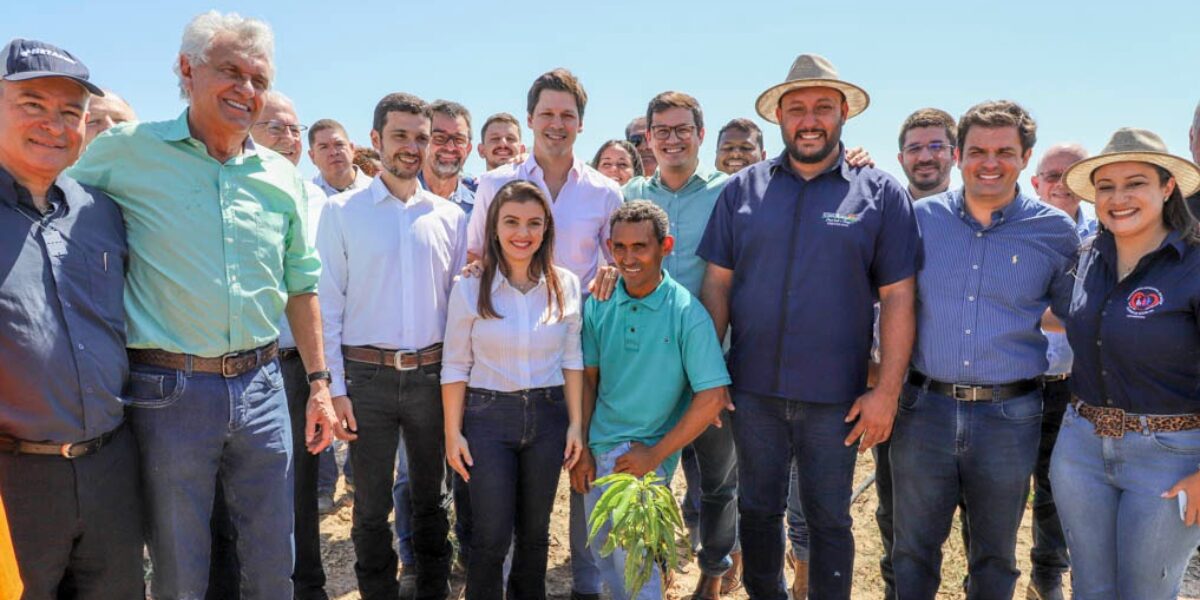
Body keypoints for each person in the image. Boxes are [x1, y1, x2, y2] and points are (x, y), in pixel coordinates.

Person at [69, 12, 346, 597]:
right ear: (186, 70)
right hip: (169, 393)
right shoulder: (126, 152)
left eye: (258, 79)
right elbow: (52, 205)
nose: (246, 89)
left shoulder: (280, 176)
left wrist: (319, 383)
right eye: (230, 71)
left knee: (272, 564)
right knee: (180, 570)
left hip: (264, 388)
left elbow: (302, 284)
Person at [698, 53, 920, 600]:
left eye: (823, 106)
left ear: (844, 113)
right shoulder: (742, 190)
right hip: (752, 391)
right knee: (757, 510)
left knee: (829, 519)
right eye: (796, 108)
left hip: (836, 397)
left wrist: (887, 393)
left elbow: (898, 297)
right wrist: (707, 378)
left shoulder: (880, 193)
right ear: (779, 117)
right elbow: (717, 286)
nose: (810, 119)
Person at [891, 101, 1080, 600]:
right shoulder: (919, 219)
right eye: (977, 151)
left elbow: (1077, 317)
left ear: (1026, 157)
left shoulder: (1054, 231)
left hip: (1010, 417)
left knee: (995, 557)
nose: (989, 163)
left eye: (1004, 152)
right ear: (958, 155)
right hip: (924, 409)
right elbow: (889, 300)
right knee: (912, 552)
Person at [468, 70, 622, 600]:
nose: (557, 124)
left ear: (581, 123)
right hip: (507, 361)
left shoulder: (605, 192)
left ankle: (586, 583)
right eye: (548, 114)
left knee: (578, 473)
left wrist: (613, 270)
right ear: (530, 118)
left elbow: (620, 259)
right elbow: (476, 256)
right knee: (498, 509)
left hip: (578, 356)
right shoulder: (494, 184)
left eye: (567, 115)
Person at [0, 37, 142, 598]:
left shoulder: (101, 212)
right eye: (32, 104)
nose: (53, 125)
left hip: (111, 469)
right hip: (14, 482)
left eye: (70, 112)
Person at [318, 92, 467, 600]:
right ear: (376, 139)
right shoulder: (341, 213)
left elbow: (457, 309)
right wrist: (336, 389)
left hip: (430, 377)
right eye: (400, 135)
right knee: (369, 507)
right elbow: (328, 306)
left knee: (432, 501)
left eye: (421, 138)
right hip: (367, 380)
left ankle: (432, 590)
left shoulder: (449, 217)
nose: (411, 146)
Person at [1052, 127, 1200, 599]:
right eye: (1106, 187)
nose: (1118, 198)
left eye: (1135, 183)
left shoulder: (1194, 264)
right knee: (1091, 590)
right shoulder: (1086, 257)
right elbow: (1057, 318)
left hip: (1170, 457)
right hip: (1080, 449)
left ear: (1167, 187)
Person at [571, 201, 732, 600]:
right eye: (619, 247)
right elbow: (588, 380)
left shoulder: (687, 313)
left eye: (640, 247)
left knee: (636, 570)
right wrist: (585, 450)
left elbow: (712, 397)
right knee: (606, 561)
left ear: (666, 246)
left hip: (644, 460)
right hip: (600, 449)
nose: (628, 258)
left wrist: (656, 454)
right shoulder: (599, 303)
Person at [619, 91, 738, 599]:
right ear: (648, 138)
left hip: (713, 361)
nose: (672, 139)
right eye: (662, 130)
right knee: (649, 476)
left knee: (717, 483)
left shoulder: (729, 192)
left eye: (682, 129)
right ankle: (658, 569)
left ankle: (712, 573)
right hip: (648, 366)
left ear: (700, 135)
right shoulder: (630, 193)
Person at [442, 179, 585, 600]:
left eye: (534, 223)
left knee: (535, 534)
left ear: (546, 229)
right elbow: (455, 365)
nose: (523, 233)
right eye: (511, 222)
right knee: (490, 535)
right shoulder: (470, 287)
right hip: (487, 419)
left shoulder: (566, 284)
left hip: (548, 416)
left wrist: (575, 424)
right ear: (494, 227)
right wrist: (453, 433)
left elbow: (572, 359)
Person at [251, 90, 332, 599]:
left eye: (295, 129)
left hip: (300, 366)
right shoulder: (230, 193)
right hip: (246, 366)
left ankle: (308, 586)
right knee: (248, 493)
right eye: (275, 128)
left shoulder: (320, 201)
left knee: (301, 487)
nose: (289, 139)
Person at [1024, 142, 1096, 600]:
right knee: (998, 488)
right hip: (1017, 383)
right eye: (1052, 175)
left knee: (1058, 488)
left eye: (1072, 176)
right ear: (1036, 183)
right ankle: (986, 577)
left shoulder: (1103, 235)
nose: (1061, 184)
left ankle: (1046, 576)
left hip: (1072, 386)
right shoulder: (1020, 231)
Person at [420, 99, 477, 213]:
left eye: (459, 140)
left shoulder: (478, 211)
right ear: (423, 142)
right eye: (439, 138)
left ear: (468, 149)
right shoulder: (398, 199)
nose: (450, 147)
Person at [310, 117, 372, 196]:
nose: (333, 152)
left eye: (339, 144)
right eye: (324, 147)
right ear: (312, 156)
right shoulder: (307, 196)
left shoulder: (376, 190)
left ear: (352, 149)